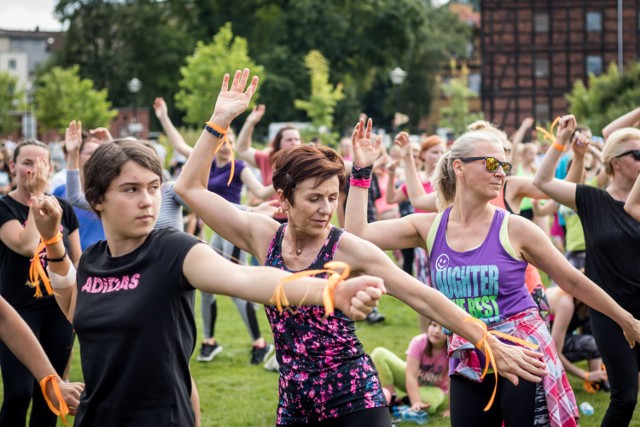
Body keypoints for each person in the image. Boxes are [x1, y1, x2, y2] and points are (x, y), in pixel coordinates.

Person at [175, 69, 548, 427]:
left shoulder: (348, 249)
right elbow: (189, 189)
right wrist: (218, 122)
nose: (326, 210)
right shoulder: (262, 235)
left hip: (354, 398)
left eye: (331, 198)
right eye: (314, 199)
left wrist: (486, 341)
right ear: (283, 200)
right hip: (293, 402)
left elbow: (424, 298)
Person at [33, 137, 384, 426]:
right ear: (97, 199)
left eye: (154, 187)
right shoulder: (93, 258)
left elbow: (245, 278)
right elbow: (76, 311)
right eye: (130, 189)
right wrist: (52, 243)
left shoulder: (172, 249)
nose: (147, 201)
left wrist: (330, 290)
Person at [345, 118, 640, 427]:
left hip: (522, 352)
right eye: (490, 163)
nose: (500, 171)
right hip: (468, 353)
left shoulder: (515, 228)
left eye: (504, 165)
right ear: (458, 167)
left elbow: (572, 280)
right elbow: (357, 234)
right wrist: (361, 171)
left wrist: (626, 319)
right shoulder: (429, 227)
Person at [534, 117, 640, 427]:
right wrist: (562, 140)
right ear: (614, 162)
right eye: (638, 155)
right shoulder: (593, 199)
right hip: (609, 311)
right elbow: (543, 182)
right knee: (625, 397)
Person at [153, 97, 276, 364]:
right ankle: (209, 342)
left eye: (227, 139)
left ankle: (259, 343)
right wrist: (163, 117)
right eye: (220, 138)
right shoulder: (205, 160)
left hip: (231, 229)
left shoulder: (239, 167)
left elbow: (259, 191)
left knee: (234, 286)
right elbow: (179, 145)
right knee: (206, 288)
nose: (223, 144)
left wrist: (281, 182)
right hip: (212, 233)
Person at [0, 140, 81, 427]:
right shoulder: (4, 208)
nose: (34, 169)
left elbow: (76, 258)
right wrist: (36, 200)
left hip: (57, 311)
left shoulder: (63, 208)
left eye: (41, 162)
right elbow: (25, 244)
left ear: (51, 165)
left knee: (51, 395)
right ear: (12, 167)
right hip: (17, 311)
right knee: (18, 394)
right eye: (27, 163)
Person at [371, 320, 449, 417]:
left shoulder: (451, 351)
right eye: (434, 325)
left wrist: (450, 409)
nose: (437, 331)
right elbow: (411, 375)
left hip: (433, 388)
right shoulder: (418, 342)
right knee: (379, 354)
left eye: (442, 328)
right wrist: (416, 401)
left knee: (430, 404)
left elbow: (452, 383)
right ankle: (391, 399)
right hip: (409, 378)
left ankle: (407, 400)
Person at [545, 286, 609, 391]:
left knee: (594, 331)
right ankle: (594, 378)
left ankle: (598, 381)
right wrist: (586, 375)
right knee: (591, 344)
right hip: (539, 347)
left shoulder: (581, 303)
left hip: (554, 337)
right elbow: (555, 353)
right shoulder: (566, 303)